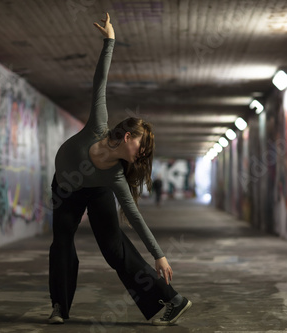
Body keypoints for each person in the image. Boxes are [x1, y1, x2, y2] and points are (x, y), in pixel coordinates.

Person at [47, 12, 192, 326]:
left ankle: (172, 299)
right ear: (127, 137)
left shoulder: (114, 177)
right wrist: (109, 42)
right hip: (66, 189)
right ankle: (59, 307)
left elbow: (135, 217)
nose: (141, 156)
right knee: (61, 243)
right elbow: (100, 81)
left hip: (95, 190)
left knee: (115, 250)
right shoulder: (98, 125)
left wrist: (159, 254)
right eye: (140, 148)